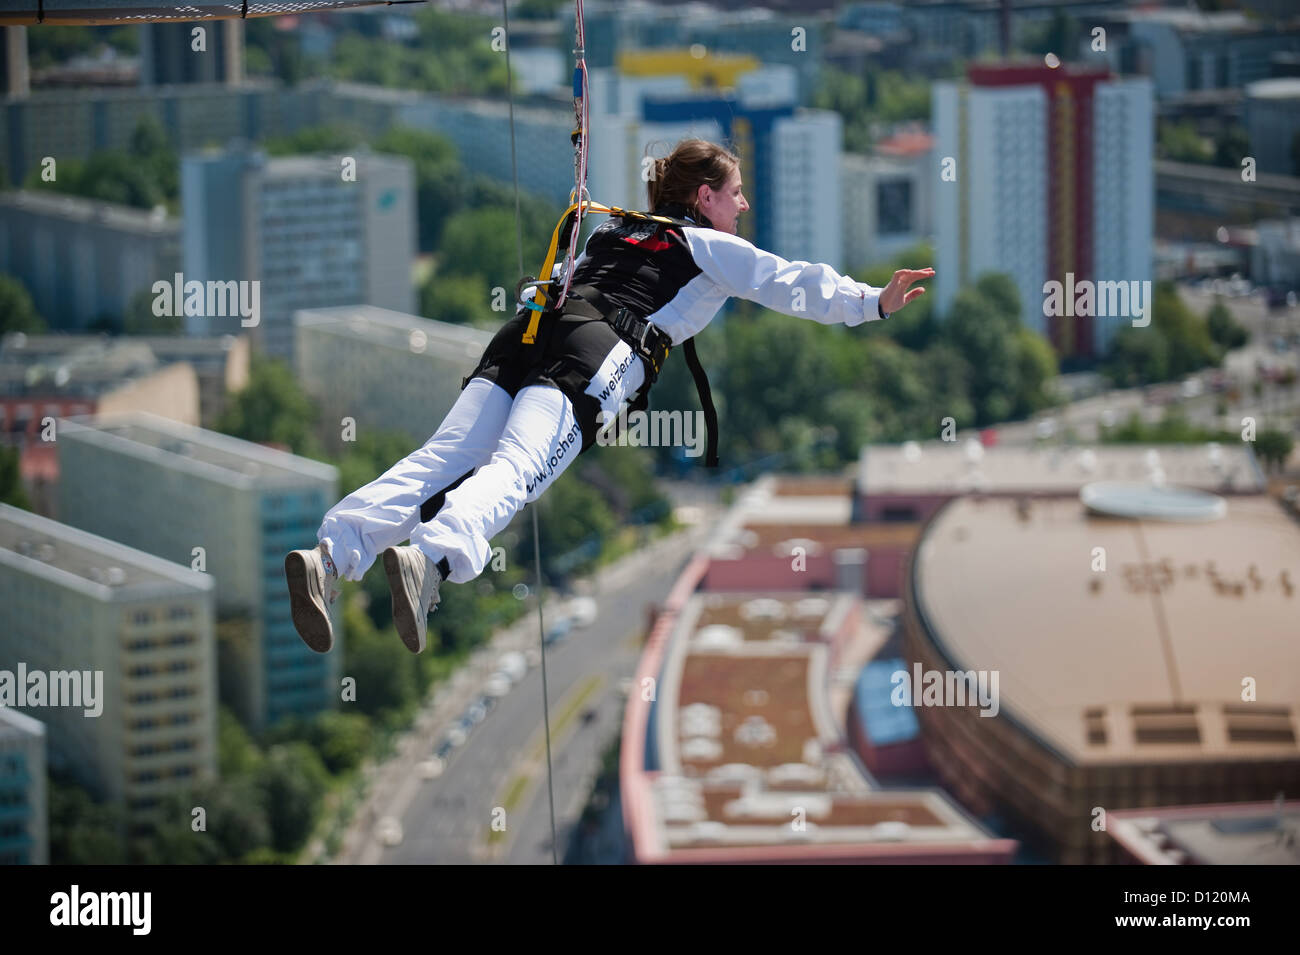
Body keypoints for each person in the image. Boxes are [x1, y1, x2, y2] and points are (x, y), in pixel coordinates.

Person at [285, 138, 933, 655]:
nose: (743, 209)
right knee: (517, 469)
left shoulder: (609, 233)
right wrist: (872, 302)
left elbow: (550, 284)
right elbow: (788, 282)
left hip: (527, 333)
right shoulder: (708, 245)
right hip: (598, 349)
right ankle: (431, 555)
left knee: (444, 457)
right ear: (704, 197)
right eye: (736, 196)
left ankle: (332, 553)